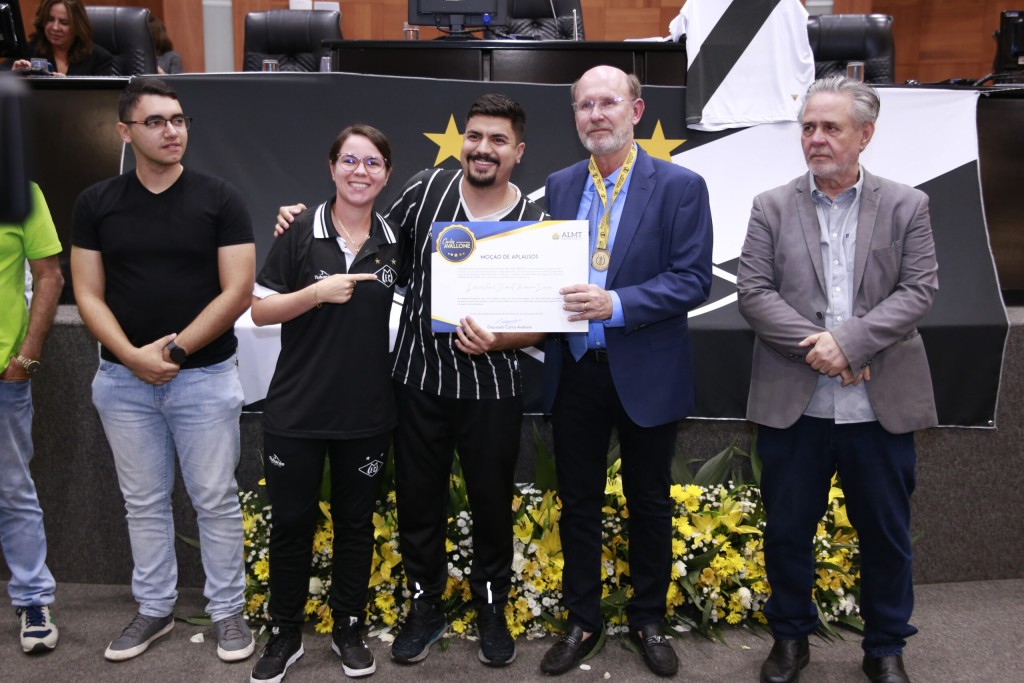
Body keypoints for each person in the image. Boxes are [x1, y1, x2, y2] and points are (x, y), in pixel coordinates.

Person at [275, 93, 546, 669]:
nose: (483, 148)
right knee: (420, 505)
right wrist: (298, 222)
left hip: (493, 390)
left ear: (518, 152)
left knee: (492, 503)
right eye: (475, 136)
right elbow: (367, 233)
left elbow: (546, 321)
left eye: (498, 140)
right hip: (418, 381)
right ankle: (426, 605)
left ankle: (492, 607)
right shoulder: (426, 190)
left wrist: (502, 339)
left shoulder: (536, 221)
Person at [736, 76, 938, 683]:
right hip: (795, 405)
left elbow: (918, 290)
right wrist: (824, 350)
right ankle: (790, 640)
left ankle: (885, 647)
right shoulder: (770, 206)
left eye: (831, 127)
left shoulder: (907, 205)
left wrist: (848, 344)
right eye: (808, 127)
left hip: (878, 408)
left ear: (865, 135)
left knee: (886, 535)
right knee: (787, 532)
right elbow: (754, 294)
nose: (816, 139)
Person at [70, 77, 256, 663]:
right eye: (155, 121)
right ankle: (154, 608)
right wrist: (132, 357)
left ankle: (228, 611)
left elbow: (238, 291)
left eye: (178, 119)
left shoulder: (220, 198)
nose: (171, 131)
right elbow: (87, 294)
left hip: (204, 377)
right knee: (143, 502)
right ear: (125, 132)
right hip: (122, 382)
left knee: (215, 499)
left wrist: (172, 355)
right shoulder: (95, 202)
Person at [539, 65, 713, 678]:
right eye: (584, 105)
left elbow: (693, 280)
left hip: (647, 369)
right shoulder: (560, 184)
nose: (596, 115)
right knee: (578, 503)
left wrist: (616, 303)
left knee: (649, 502)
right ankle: (582, 620)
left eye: (608, 102)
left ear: (636, 111)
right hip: (575, 370)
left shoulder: (681, 185)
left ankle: (648, 619)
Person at [248, 124, 399, 682]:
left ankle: (349, 629)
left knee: (356, 525)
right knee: (292, 523)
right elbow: (260, 312)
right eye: (350, 160)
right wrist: (316, 292)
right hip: (297, 412)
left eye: (373, 162)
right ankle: (284, 633)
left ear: (386, 174)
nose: (361, 171)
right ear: (332, 167)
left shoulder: (396, 239)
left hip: (366, 414)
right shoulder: (297, 231)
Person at [1, 182, 64, 654]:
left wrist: (26, 358)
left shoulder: (19, 192)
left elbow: (49, 277)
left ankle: (32, 600)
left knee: (13, 491)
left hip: (4, 377)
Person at [5, 0, 113, 76]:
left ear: (78, 26)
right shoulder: (28, 51)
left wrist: (66, 87)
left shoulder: (99, 58)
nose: (55, 27)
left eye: (64, 22)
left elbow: (104, 98)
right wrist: (13, 76)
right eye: (50, 19)